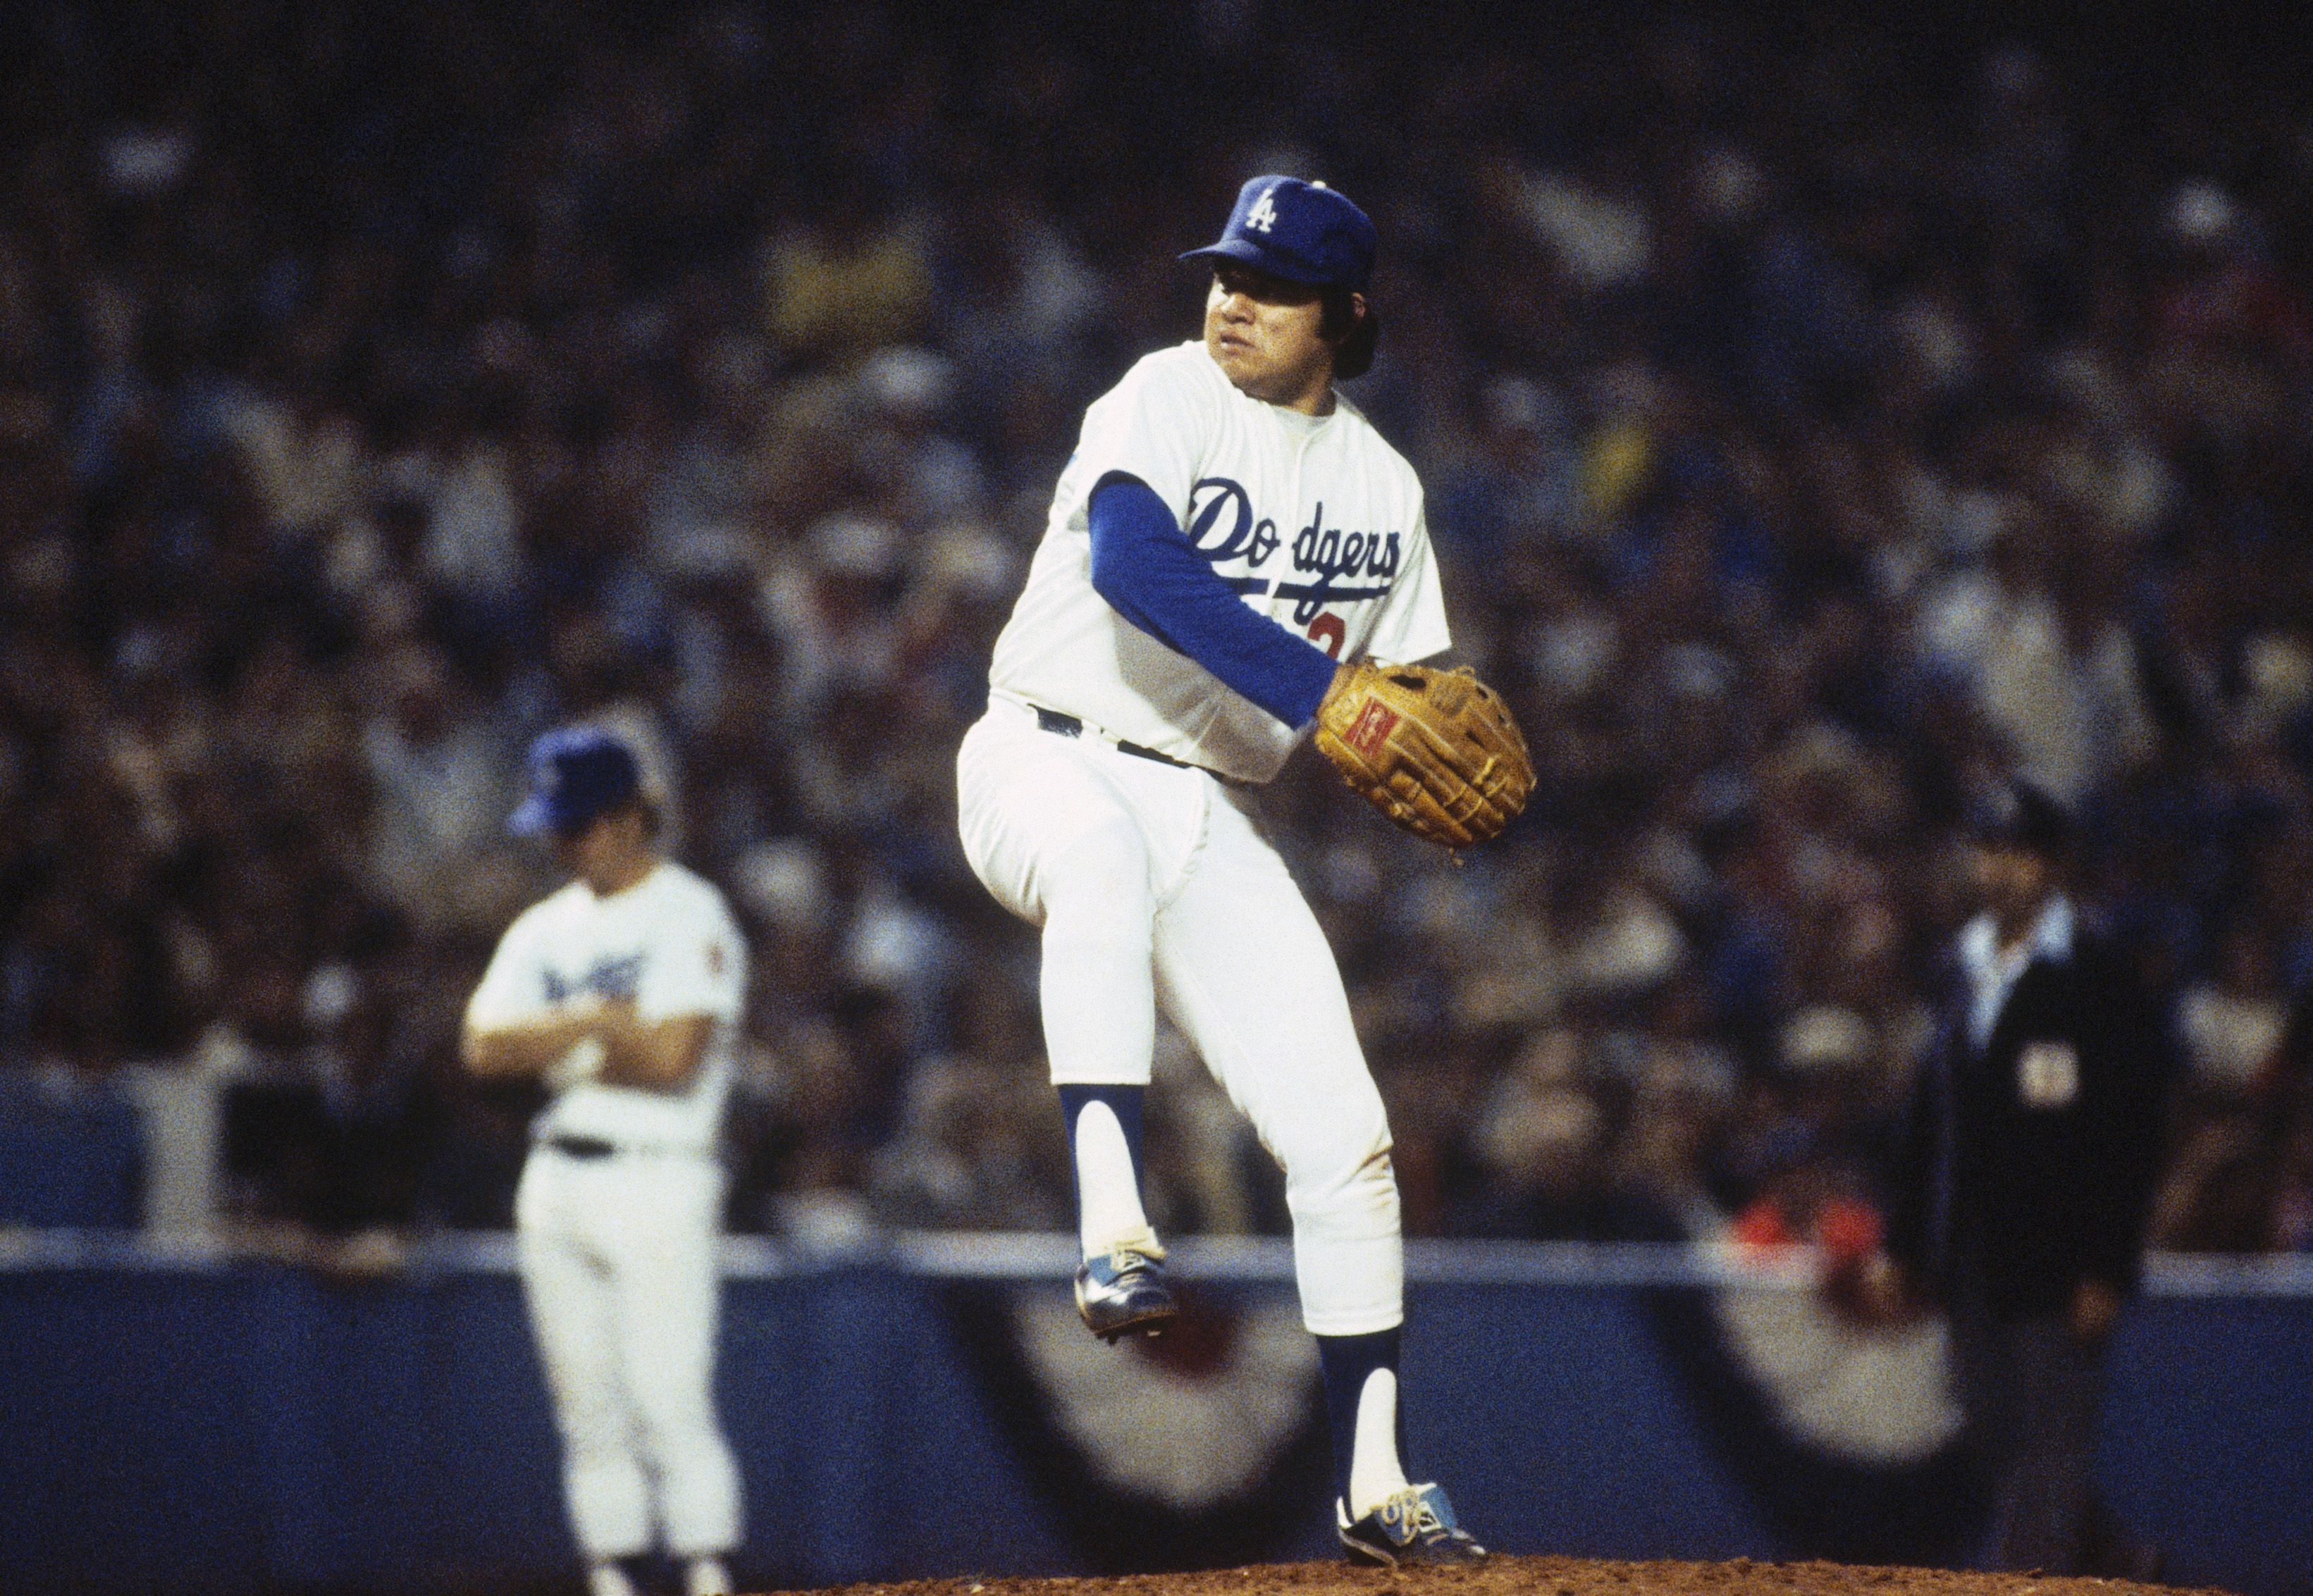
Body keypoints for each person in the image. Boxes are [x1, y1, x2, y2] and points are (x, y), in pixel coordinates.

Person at [954, 175, 1485, 1566]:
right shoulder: (1163, 394)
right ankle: (1114, 1222)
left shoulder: (1387, 490)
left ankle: (1375, 1483)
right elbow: (1138, 570)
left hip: (1200, 804)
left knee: (1346, 1136)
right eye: (1224, 272)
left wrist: (1436, 725)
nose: (1231, 298)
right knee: (1099, 861)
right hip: (1039, 753)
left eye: (1272, 284)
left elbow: (1416, 690)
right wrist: (1327, 693)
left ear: (1348, 315)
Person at [462, 728, 748, 1596]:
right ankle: (612, 1573)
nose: (562, 842)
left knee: (668, 1396)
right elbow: (479, 1048)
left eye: (578, 824)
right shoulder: (544, 925)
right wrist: (596, 1021)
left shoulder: (689, 910)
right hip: (555, 1176)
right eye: (556, 825)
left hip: (659, 1170)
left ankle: (706, 1567)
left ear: (631, 817)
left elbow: (672, 1060)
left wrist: (550, 1046)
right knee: (585, 1403)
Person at [1880, 781, 2173, 1574]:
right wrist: (1904, 1244)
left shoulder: (2097, 975)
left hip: (2058, 1257)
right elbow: (1929, 1120)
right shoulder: (1958, 969)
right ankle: (2122, 1559)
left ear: (2053, 866)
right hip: (1970, 1248)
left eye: (2016, 855)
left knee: (2050, 1439)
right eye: (1988, 852)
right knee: (1991, 1429)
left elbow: (2127, 1137)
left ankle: (2025, 1583)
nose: (1998, 872)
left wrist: (2107, 1267)